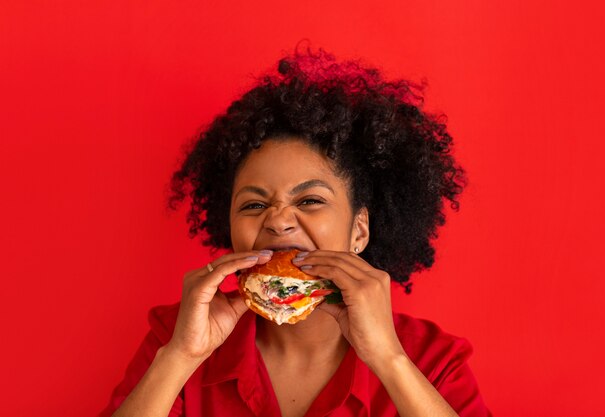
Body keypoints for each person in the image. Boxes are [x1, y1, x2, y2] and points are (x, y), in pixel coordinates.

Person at [100, 47, 492, 417]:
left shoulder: (433, 359)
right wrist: (182, 356)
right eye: (253, 205)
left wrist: (388, 359)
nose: (277, 220)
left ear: (359, 231)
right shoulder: (178, 334)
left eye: (309, 201)